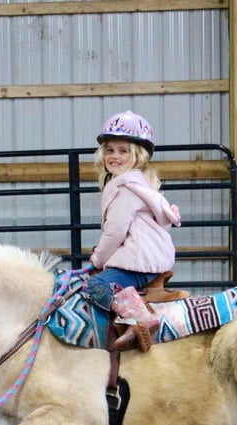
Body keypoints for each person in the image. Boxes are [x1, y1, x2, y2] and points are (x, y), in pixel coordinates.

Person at [85, 110, 181, 352]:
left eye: (123, 151)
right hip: (146, 259)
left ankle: (141, 319)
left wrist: (97, 257)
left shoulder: (125, 187)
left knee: (95, 286)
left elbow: (115, 231)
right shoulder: (139, 184)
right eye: (110, 150)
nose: (114, 156)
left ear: (137, 156)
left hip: (137, 263)